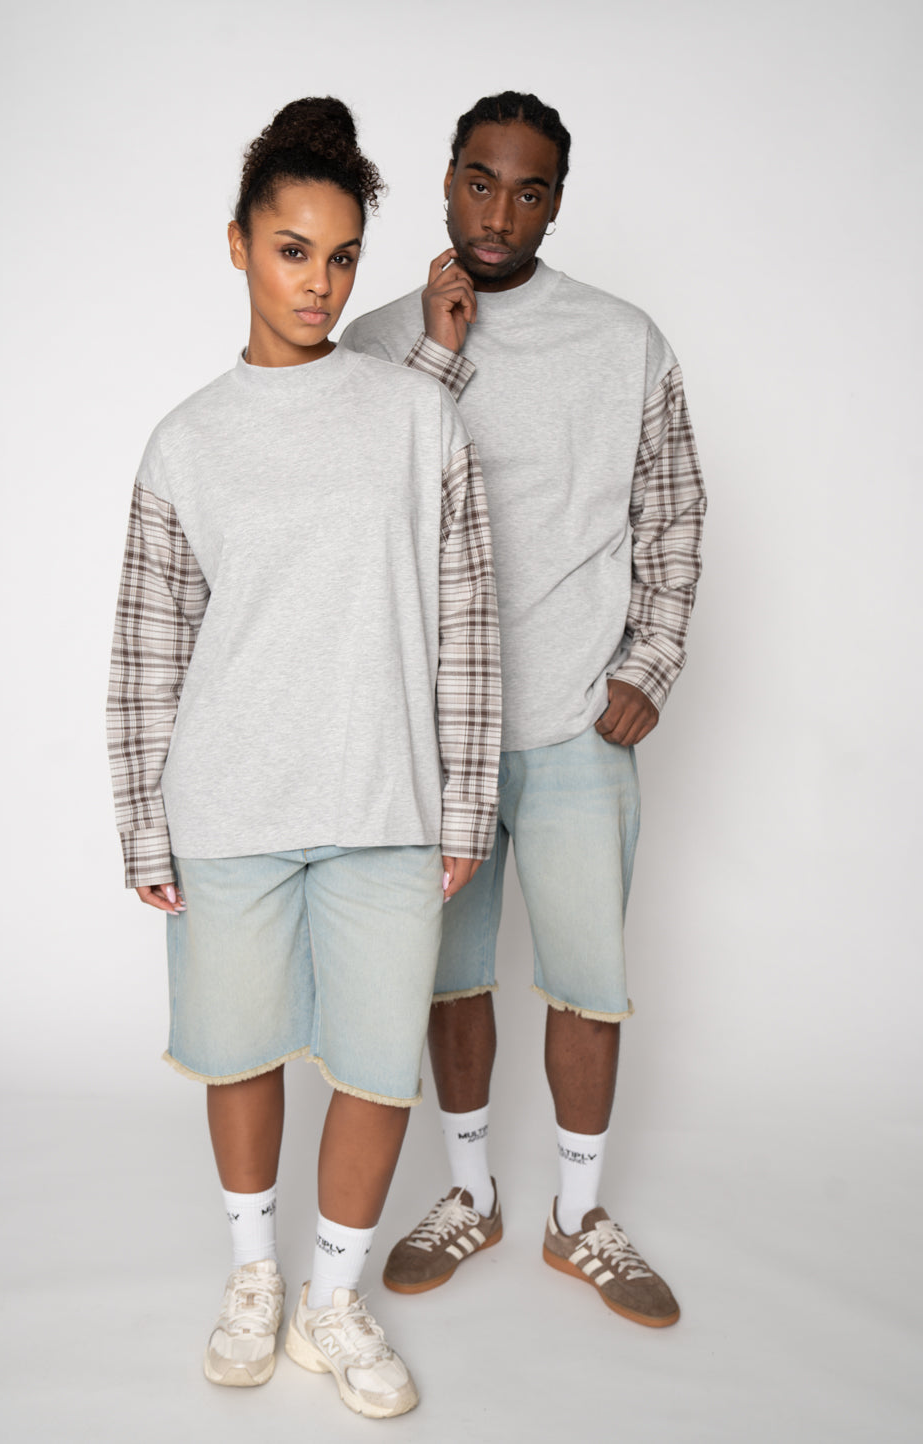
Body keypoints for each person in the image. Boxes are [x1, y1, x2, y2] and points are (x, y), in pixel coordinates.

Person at [106, 96, 500, 1419]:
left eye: (340, 258)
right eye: (291, 251)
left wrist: (465, 804)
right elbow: (148, 650)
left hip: (387, 801)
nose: (319, 284)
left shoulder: (417, 416)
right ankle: (253, 1280)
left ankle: (333, 1300)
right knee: (239, 1052)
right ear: (238, 245)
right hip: (228, 804)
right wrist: (142, 821)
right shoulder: (186, 441)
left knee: (379, 1063)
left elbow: (464, 622)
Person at [342, 90, 706, 1328]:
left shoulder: (623, 340)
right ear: (446, 179)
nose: (499, 214)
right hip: (430, 737)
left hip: (572, 723)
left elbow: (674, 507)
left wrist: (650, 662)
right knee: (450, 982)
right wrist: (439, 353)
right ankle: (469, 1194)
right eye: (480, 183)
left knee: (586, 983)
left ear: (557, 202)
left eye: (529, 190)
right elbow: (362, 513)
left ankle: (577, 1217)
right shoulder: (379, 341)